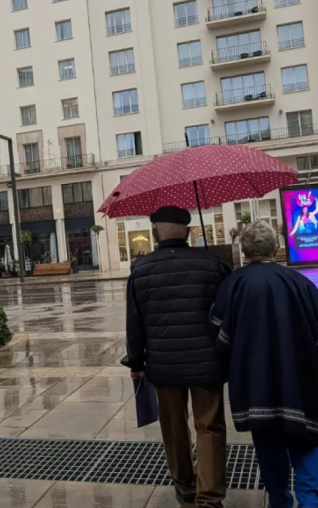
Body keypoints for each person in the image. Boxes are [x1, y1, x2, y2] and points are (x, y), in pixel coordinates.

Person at [210, 221, 318, 508]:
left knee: (268, 445)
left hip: (254, 383)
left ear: (245, 250)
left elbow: (220, 336)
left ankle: (279, 501)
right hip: (299, 381)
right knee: (306, 441)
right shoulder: (298, 281)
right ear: (276, 247)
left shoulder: (233, 284)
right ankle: (310, 502)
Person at [125, 206, 232, 508]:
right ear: (188, 231)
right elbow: (228, 312)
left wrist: (136, 363)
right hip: (207, 363)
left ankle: (184, 484)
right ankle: (210, 496)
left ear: (155, 233)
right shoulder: (213, 263)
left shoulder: (140, 269)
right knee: (209, 426)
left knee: (173, 426)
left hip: (164, 365)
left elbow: (134, 323)